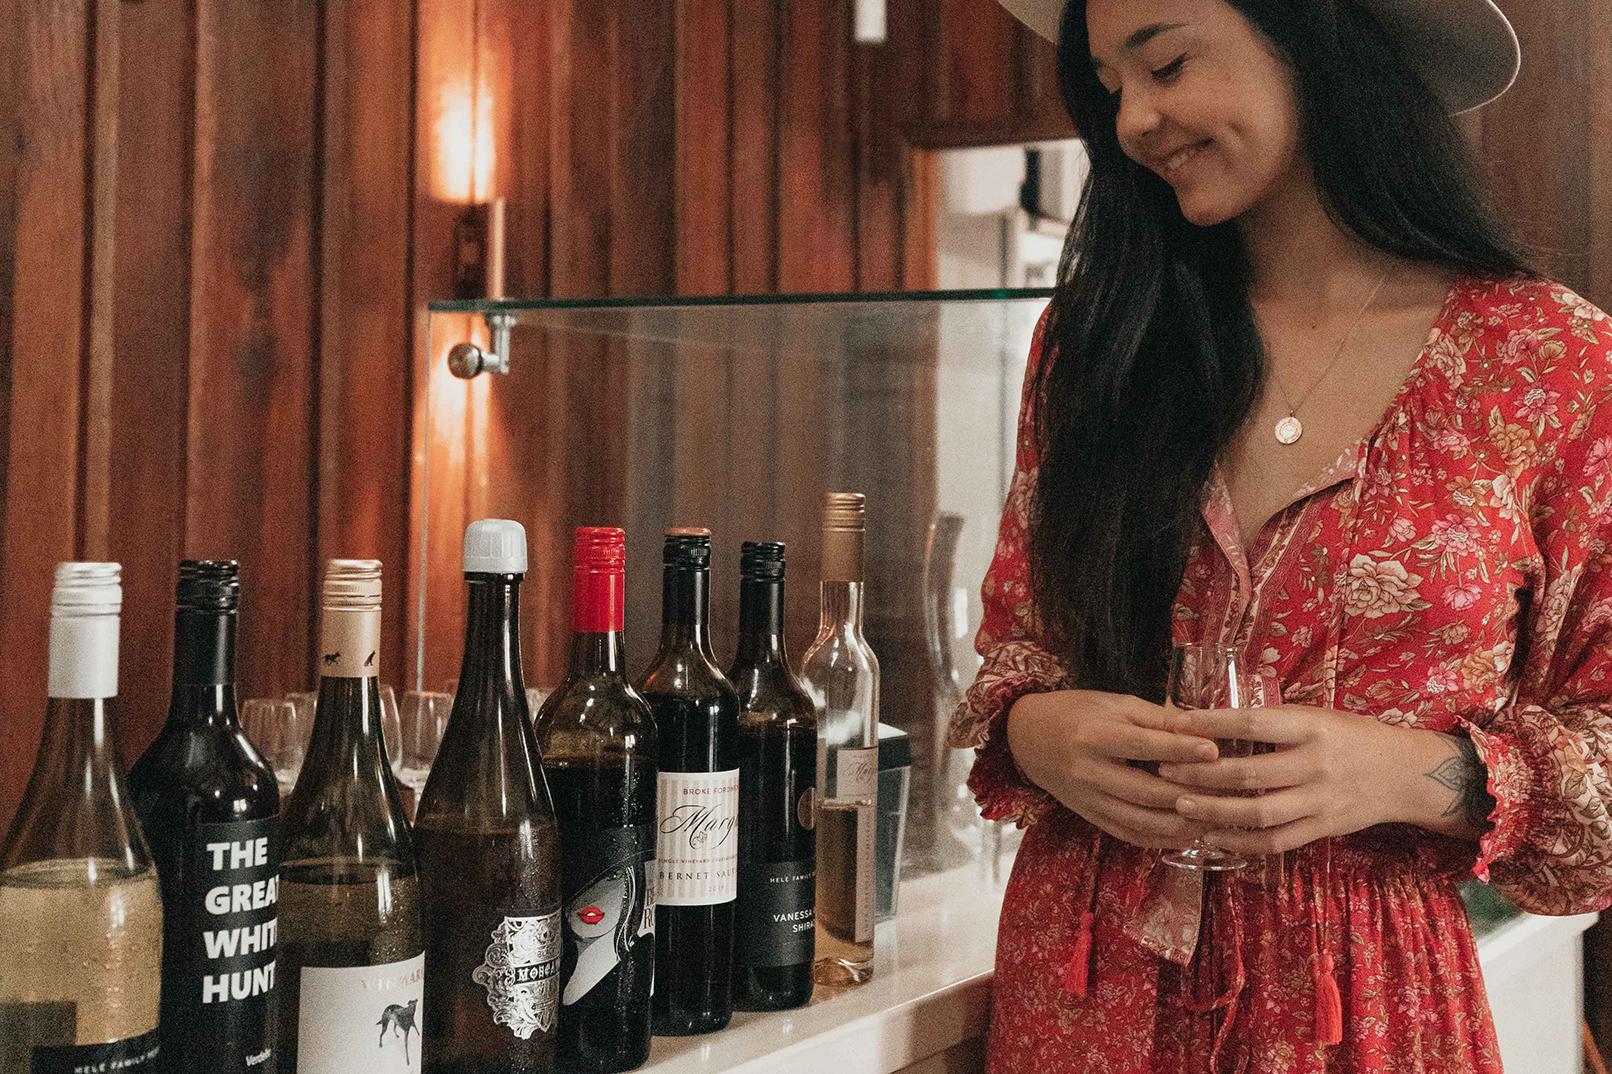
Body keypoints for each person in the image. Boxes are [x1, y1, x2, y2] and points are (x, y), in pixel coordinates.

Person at [947, 0, 1612, 1070]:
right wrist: (1040, 733)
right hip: (1082, 988)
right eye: (1109, 89)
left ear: (1314, 42)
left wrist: (1410, 775)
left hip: (1365, 1007)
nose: (1134, 121)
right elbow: (1019, 648)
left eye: (1167, 64)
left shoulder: (1546, 360)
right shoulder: (1098, 340)